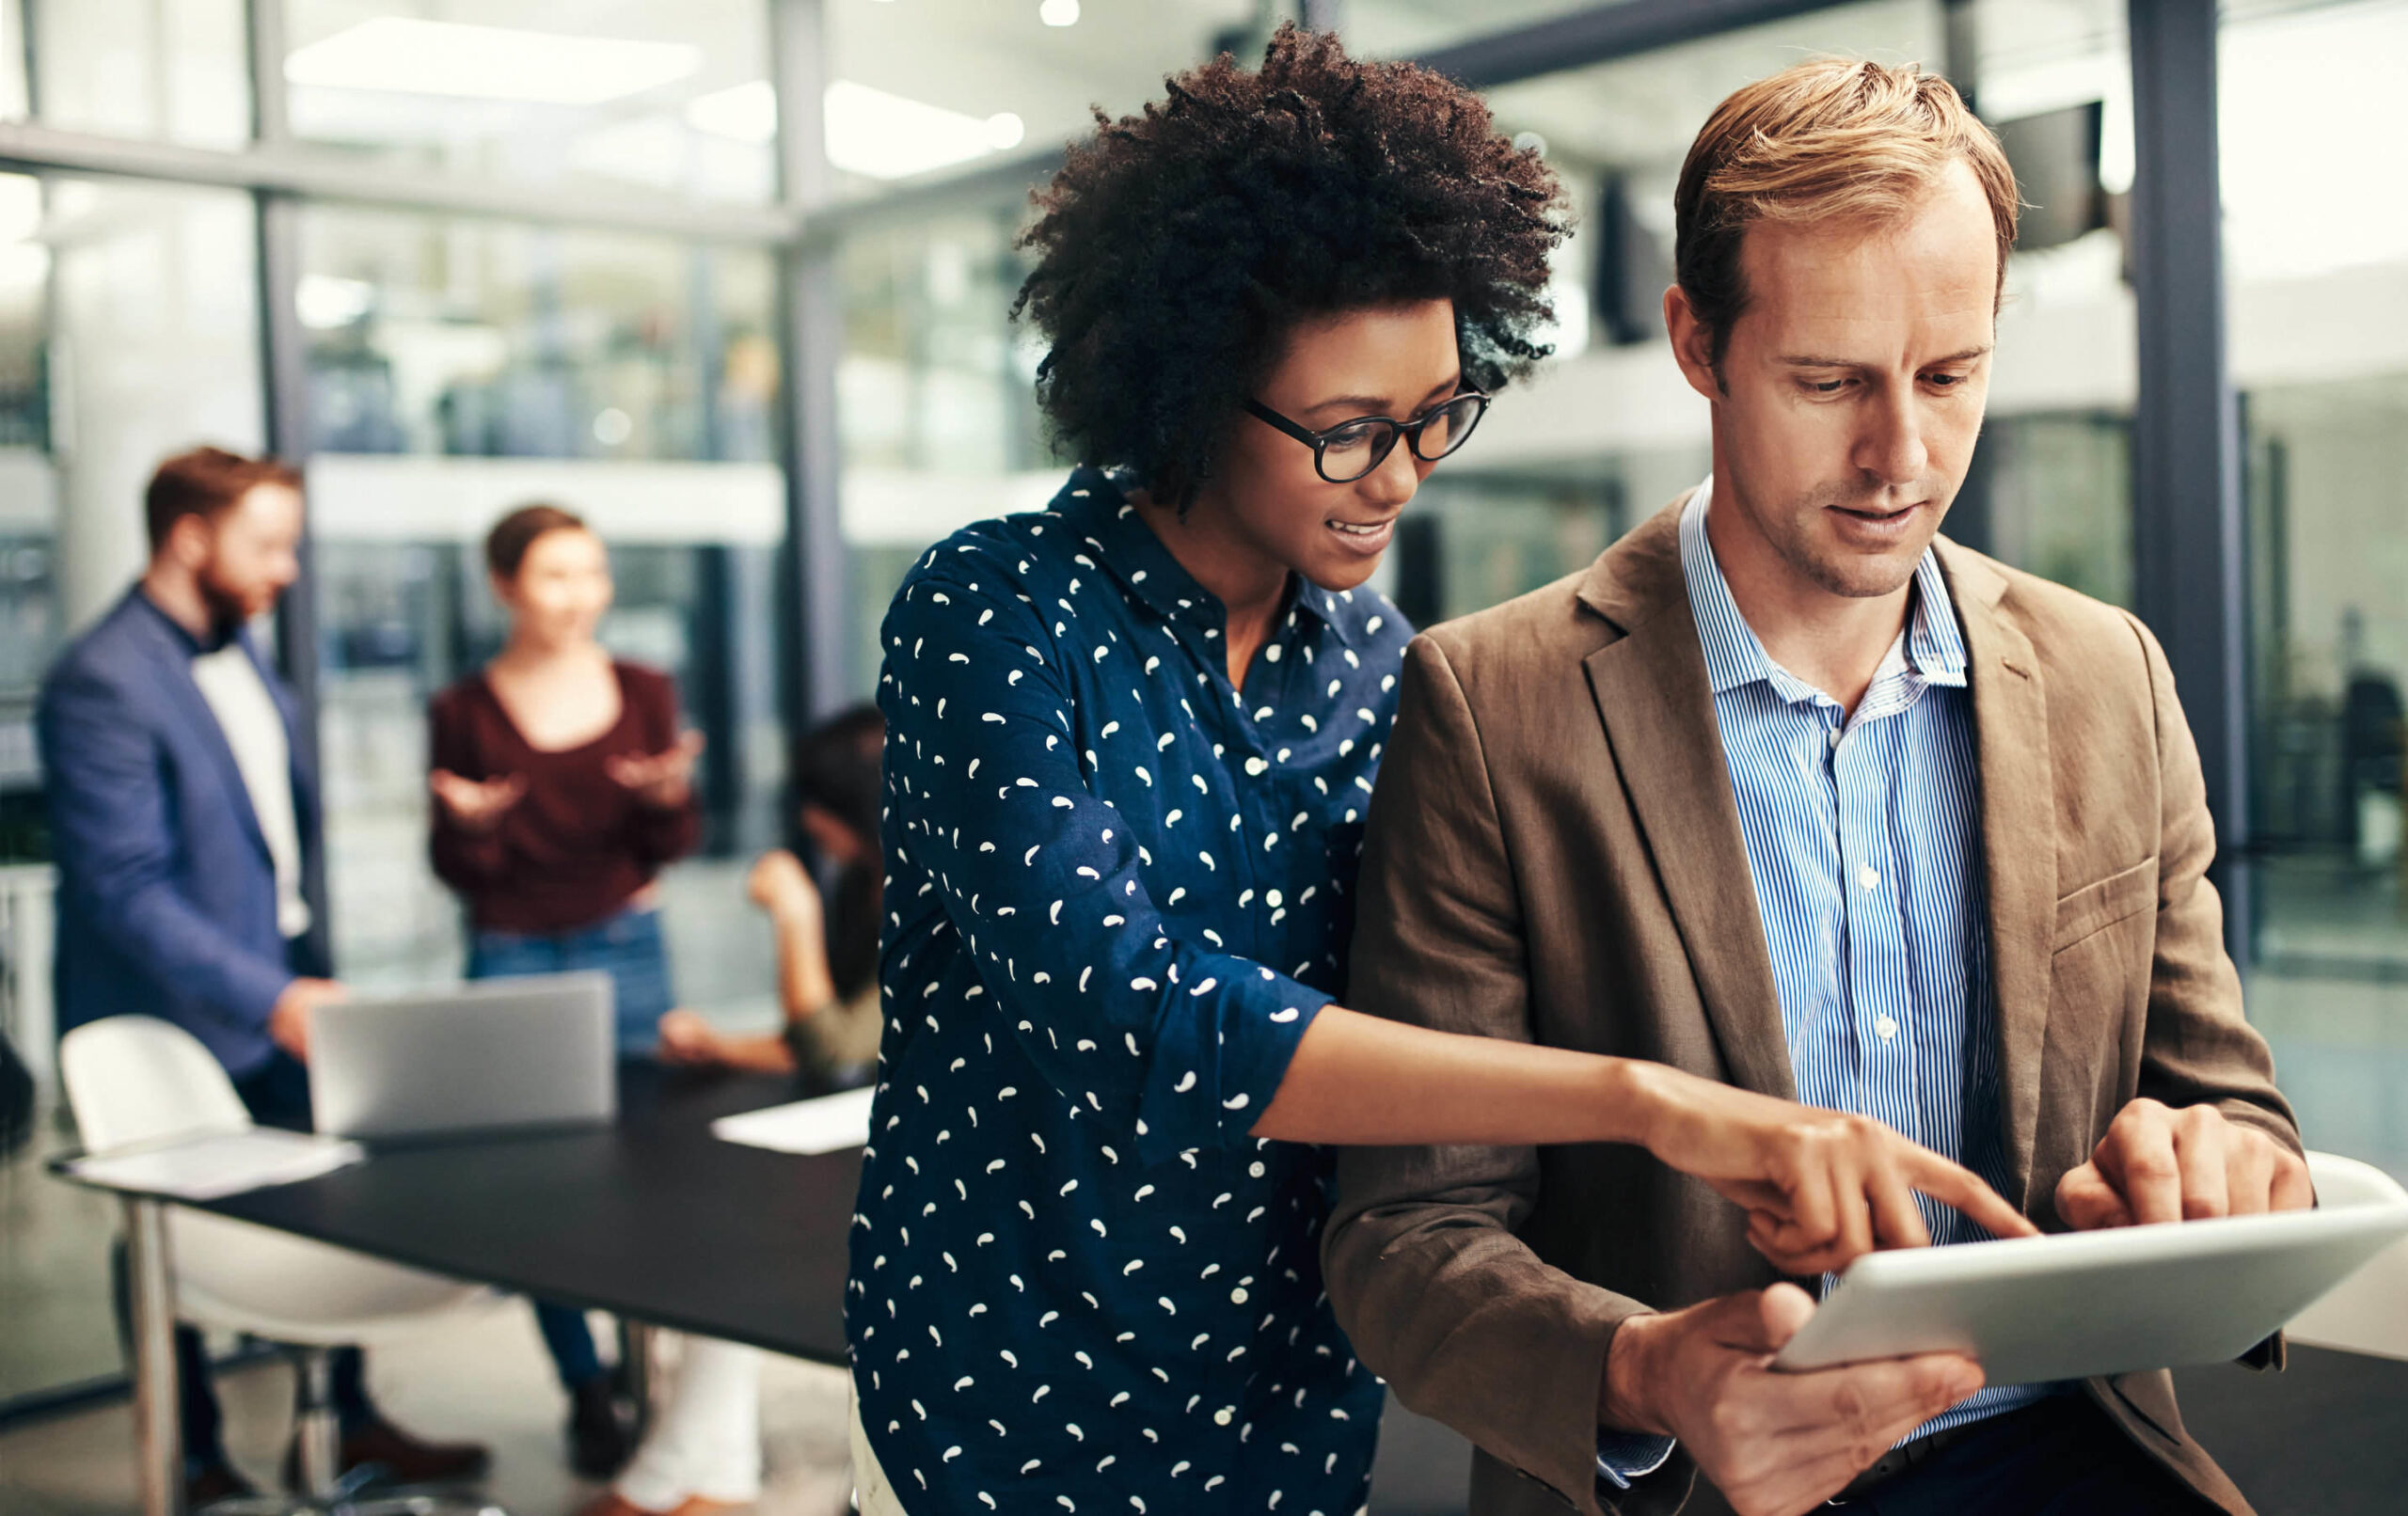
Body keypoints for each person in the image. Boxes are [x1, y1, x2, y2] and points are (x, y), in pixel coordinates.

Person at [849, 30, 2036, 1516]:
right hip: (1004, 1391)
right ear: (1193, 381)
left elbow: (1420, 1028)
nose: (1403, 477)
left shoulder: (1372, 659)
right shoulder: (1000, 610)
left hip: (1285, 1411)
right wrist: (1653, 1101)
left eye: (1434, 417)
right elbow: (1133, 1010)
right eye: (1349, 433)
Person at [1322, 59, 2310, 1516]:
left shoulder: (2113, 679)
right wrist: (1654, 1372)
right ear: (1697, 343)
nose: (1900, 456)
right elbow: (1407, 1236)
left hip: (2073, 1459)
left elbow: (2236, 1115)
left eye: (1950, 376)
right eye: (1830, 380)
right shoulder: (1494, 709)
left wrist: (2218, 1174)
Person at [39, 447, 489, 1505]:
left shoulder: (243, 655)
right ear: (188, 537)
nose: (287, 568)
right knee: (169, 1228)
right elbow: (123, 886)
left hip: (280, 977)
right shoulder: (102, 678)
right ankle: (189, 1452)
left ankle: (345, 1421)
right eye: (267, 544)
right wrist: (269, 994)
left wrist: (294, 977)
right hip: (174, 1008)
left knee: (331, 1187)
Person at [425, 502, 704, 1478]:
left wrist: (667, 801)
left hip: (627, 943)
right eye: (554, 575)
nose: (579, 595)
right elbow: (460, 872)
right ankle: (584, 1379)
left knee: (643, 1166)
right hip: (509, 954)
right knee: (539, 1184)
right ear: (504, 586)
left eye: (591, 573)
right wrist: (473, 826)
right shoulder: (462, 708)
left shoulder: (642, 688)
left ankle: (653, 1371)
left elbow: (670, 846)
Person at [572, 706, 888, 1516]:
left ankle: (690, 1473)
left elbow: (837, 1045)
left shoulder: (923, 885)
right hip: (858, 1127)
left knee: (749, 1234)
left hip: (906, 1154)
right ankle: (701, 1471)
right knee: (731, 1228)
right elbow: (824, 1038)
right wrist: (720, 1044)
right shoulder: (868, 879)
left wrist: (794, 915)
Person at [657, 703, 886, 1089]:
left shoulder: (935, 905)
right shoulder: (858, 884)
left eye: (818, 802)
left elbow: (835, 1055)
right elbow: (814, 1033)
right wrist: (717, 1048)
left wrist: (797, 915)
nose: (808, 820)